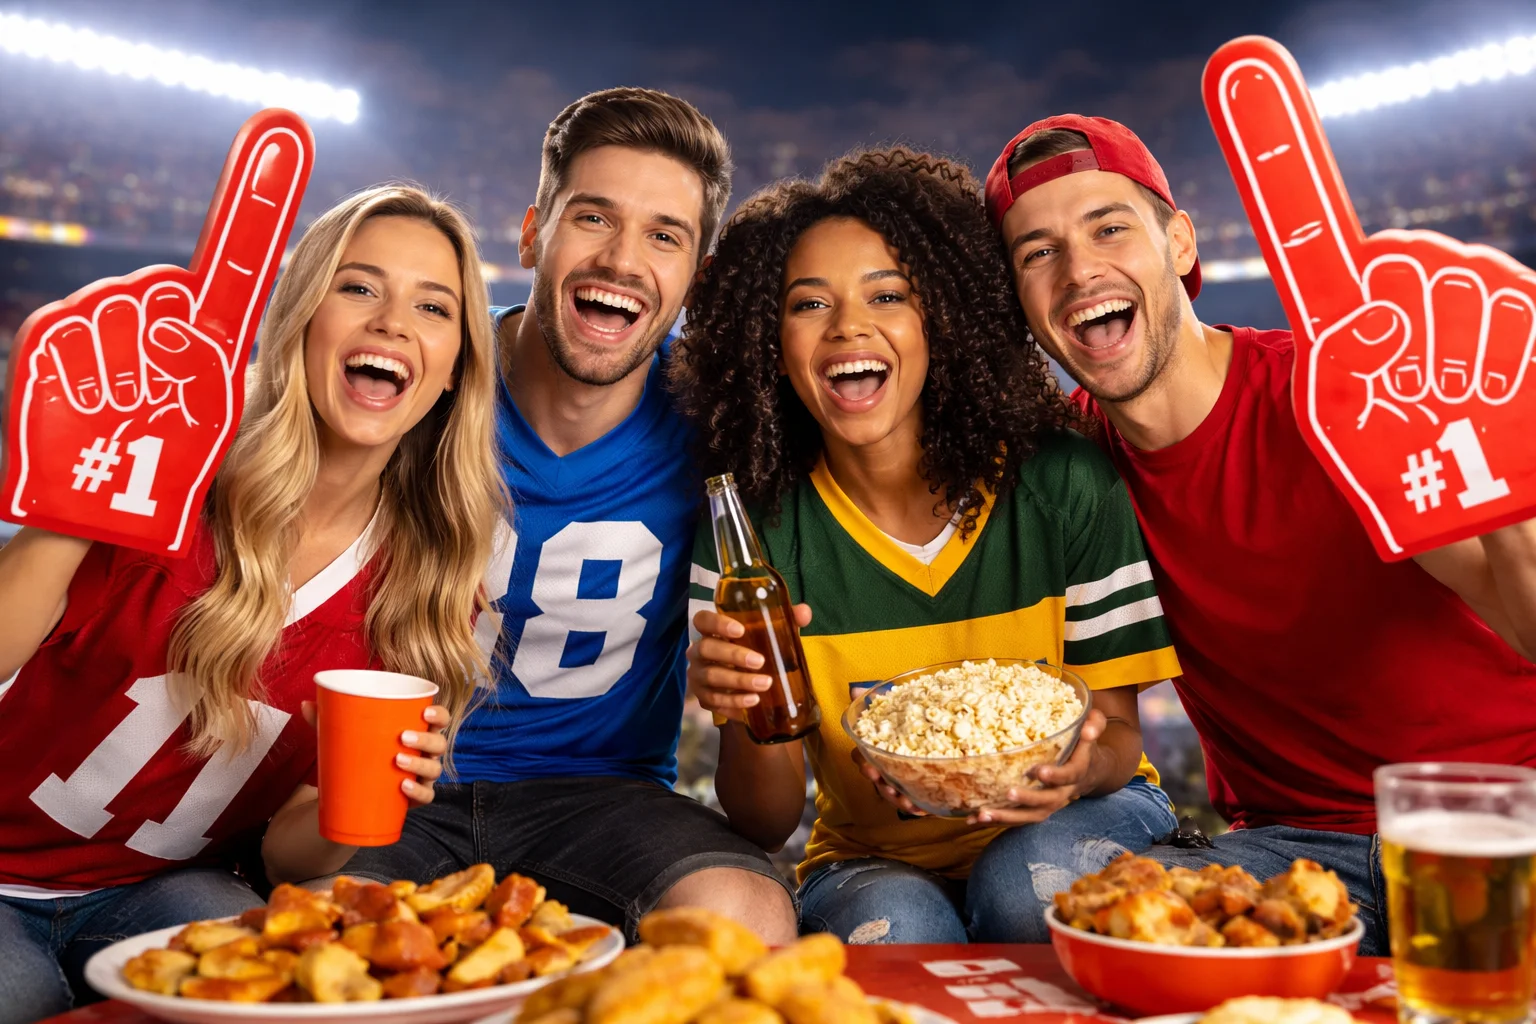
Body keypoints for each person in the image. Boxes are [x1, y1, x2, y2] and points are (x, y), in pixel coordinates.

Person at [985, 114, 1536, 955]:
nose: (1078, 269)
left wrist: (1502, 470)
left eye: (1108, 228)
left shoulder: (1334, 400)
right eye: (1037, 253)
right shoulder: (1068, 466)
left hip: (1489, 819)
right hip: (1288, 854)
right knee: (1054, 913)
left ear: (1178, 243)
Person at [0, 184, 504, 1021]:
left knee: (277, 991)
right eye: (358, 287)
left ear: (454, 369)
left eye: (432, 306)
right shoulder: (177, 471)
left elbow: (287, 858)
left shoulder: (430, 583)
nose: (392, 323)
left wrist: (357, 797)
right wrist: (73, 503)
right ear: (300, 318)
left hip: (163, 887)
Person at [674, 148, 1183, 944]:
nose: (849, 325)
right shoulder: (752, 537)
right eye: (809, 304)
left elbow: (1118, 740)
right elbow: (765, 822)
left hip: (1086, 810)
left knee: (1023, 887)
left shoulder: (1063, 484)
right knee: (899, 929)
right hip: (870, 853)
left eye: (888, 295)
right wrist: (749, 712)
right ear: (770, 342)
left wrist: (1075, 768)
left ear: (942, 319)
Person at [333, 88, 797, 944]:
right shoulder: (424, 370)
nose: (622, 260)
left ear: (696, 275)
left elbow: (766, 814)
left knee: (746, 917)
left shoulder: (721, 427)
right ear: (532, 235)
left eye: (665, 236)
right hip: (393, 785)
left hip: (603, 799)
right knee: (326, 941)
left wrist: (750, 692)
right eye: (593, 218)